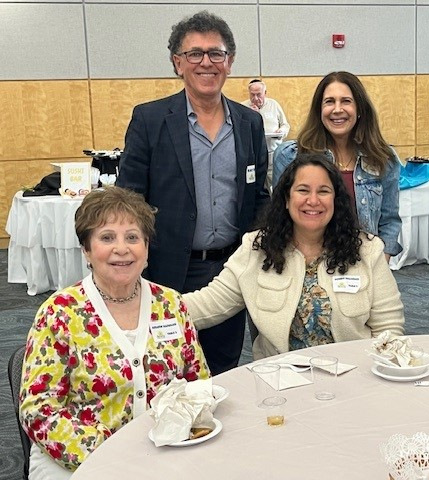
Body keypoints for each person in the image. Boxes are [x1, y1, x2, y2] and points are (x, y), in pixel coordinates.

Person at [116, 11, 270, 375]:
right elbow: (129, 201)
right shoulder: (150, 120)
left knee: (224, 369)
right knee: (167, 368)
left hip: (231, 269)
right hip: (169, 270)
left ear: (229, 61)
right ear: (177, 63)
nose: (206, 62)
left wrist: (261, 250)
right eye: (195, 54)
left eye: (216, 53)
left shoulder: (249, 123)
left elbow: (260, 197)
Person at [19, 187, 209, 479]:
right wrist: (115, 458)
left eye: (132, 237)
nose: (122, 249)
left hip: (166, 449)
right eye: (107, 238)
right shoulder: (59, 313)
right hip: (80, 458)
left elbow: (198, 384)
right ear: (86, 249)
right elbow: (39, 410)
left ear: (146, 248)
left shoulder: (170, 304)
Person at [184, 154, 405, 359]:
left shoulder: (367, 250)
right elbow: (208, 304)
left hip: (352, 376)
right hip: (279, 379)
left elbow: (389, 328)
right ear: (287, 199)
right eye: (303, 190)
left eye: (323, 191)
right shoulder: (257, 248)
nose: (313, 200)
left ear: (335, 200)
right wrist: (162, 305)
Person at [272, 71, 402, 261]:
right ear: (319, 110)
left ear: (360, 109)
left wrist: (380, 263)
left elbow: (389, 220)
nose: (337, 109)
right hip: (307, 265)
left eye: (346, 101)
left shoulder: (383, 158)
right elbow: (278, 219)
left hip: (364, 264)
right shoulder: (290, 156)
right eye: (329, 102)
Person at [241, 79, 290, 190]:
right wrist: (251, 115)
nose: (255, 98)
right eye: (252, 95)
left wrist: (281, 131)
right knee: (256, 187)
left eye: (259, 94)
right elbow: (240, 131)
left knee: (276, 185)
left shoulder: (274, 104)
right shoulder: (243, 107)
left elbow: (285, 125)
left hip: (273, 152)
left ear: (265, 93)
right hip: (253, 156)